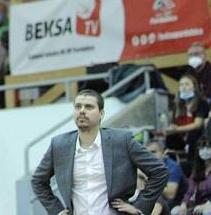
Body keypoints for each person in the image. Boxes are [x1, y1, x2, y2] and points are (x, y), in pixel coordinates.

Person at [31, 89, 168, 215]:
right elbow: (38, 181)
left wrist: (139, 207)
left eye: (89, 107)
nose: (82, 111)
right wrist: (57, 211)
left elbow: (159, 171)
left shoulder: (121, 140)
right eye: (78, 106)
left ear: (101, 113)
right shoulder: (59, 145)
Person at [165, 75, 208, 162]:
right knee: (169, 136)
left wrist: (177, 129)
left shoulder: (201, 102)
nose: (184, 87)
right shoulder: (178, 104)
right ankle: (171, 160)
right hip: (182, 136)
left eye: (187, 84)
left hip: (197, 136)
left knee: (193, 134)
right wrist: (171, 128)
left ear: (194, 87)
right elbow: (174, 123)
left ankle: (192, 165)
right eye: (181, 85)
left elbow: (198, 125)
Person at [173, 137, 211, 214]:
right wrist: (184, 204)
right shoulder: (197, 169)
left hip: (208, 205)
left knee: (207, 212)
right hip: (197, 204)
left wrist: (208, 204)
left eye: (208, 147)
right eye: (202, 148)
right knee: (175, 211)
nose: (205, 151)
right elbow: (190, 191)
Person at [146, 140, 187, 209]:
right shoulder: (147, 165)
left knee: (156, 202)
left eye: (153, 152)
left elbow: (170, 195)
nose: (150, 156)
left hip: (178, 202)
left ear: (163, 152)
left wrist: (147, 180)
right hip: (158, 198)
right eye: (147, 153)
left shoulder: (173, 167)